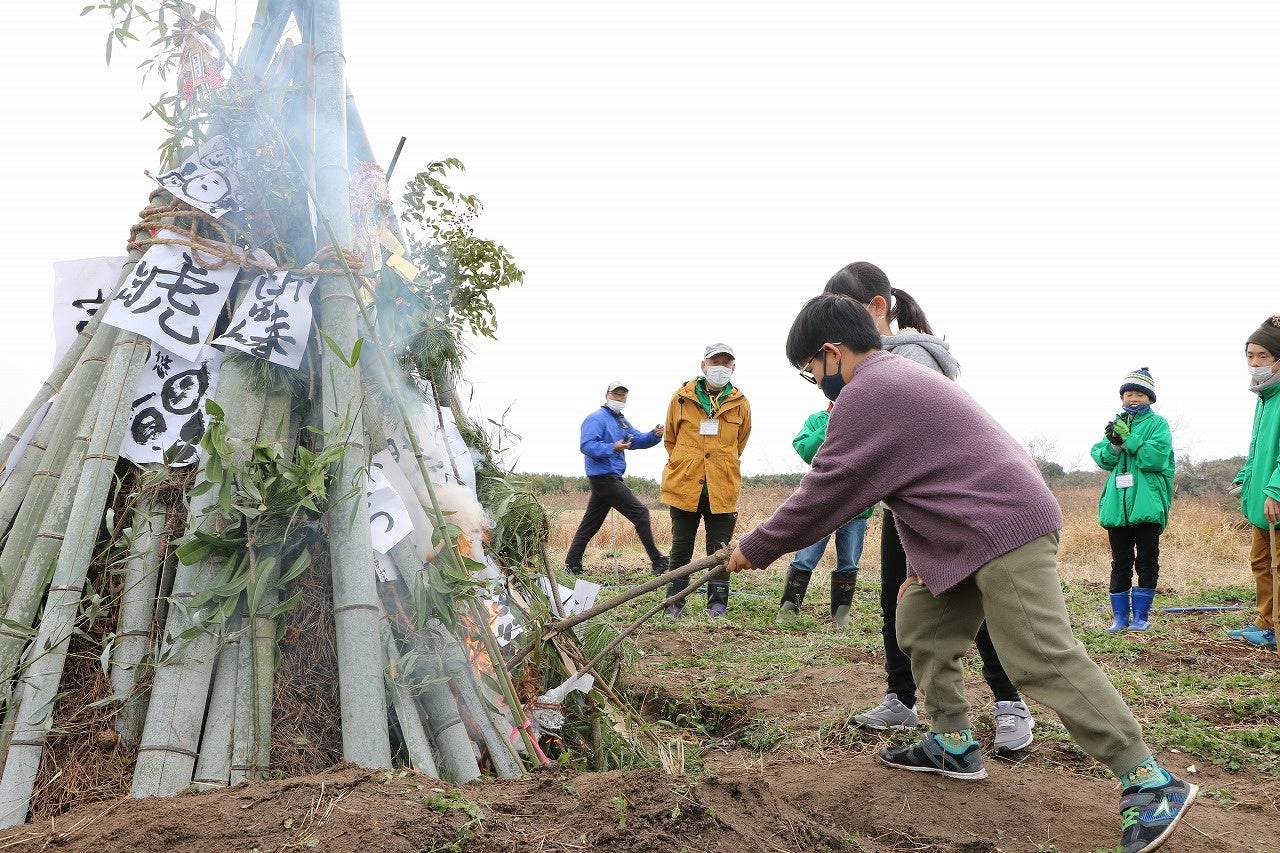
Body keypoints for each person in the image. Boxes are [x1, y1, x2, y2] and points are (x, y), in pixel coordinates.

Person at [727, 295, 1197, 853]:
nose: (818, 384)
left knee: (1040, 657)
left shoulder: (871, 390)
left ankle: (1149, 779)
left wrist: (753, 549)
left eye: (812, 373)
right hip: (971, 533)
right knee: (922, 622)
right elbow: (910, 483)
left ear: (831, 352)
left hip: (1005, 528)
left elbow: (826, 489)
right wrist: (924, 564)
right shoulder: (894, 379)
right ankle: (950, 741)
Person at [824, 262, 1032, 754]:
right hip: (904, 502)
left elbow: (897, 429)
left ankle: (1008, 702)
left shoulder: (911, 356)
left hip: (945, 504)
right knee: (897, 600)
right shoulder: (863, 364)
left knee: (965, 594)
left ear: (877, 308)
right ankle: (901, 698)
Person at [660, 343, 751, 618]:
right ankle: (675, 603)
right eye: (715, 362)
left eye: (726, 363)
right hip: (684, 485)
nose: (720, 368)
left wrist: (720, 464)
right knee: (680, 550)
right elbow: (670, 440)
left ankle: (717, 606)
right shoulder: (681, 398)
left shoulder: (741, 403)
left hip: (722, 488)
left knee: (721, 551)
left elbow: (740, 442)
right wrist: (689, 463)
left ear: (733, 368)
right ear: (703, 366)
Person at [1090, 368, 1175, 633]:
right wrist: (1115, 444)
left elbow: (1156, 458)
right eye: (1129, 393)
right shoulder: (1117, 423)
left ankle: (1141, 617)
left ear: (1150, 398)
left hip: (1147, 507)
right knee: (1120, 562)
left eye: (1140, 394)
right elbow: (1103, 458)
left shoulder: (1158, 424)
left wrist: (1130, 439)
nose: (1134, 398)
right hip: (1118, 509)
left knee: (1147, 560)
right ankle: (1119, 619)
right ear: (1122, 397)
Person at [778, 405, 873, 626]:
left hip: (857, 504)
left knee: (849, 562)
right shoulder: (817, 419)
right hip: (821, 503)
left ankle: (841, 615)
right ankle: (788, 610)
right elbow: (806, 451)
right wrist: (834, 421)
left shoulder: (869, 418)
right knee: (805, 558)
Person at [564, 381, 669, 576]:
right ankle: (657, 560)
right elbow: (586, 446)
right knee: (641, 514)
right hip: (604, 477)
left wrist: (654, 435)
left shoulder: (621, 421)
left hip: (609, 477)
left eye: (623, 396)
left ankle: (572, 564)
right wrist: (612, 447)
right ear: (607, 395)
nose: (620, 399)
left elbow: (635, 439)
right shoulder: (595, 419)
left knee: (591, 523)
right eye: (616, 395)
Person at [1228, 316, 1280, 650]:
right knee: (1261, 561)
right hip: (1260, 498)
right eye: (1250, 355)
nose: (1255, 363)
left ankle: (1277, 627)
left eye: (1263, 355)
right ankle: (1265, 619)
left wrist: (1275, 490)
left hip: (1274, 498)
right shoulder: (1265, 397)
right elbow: (1257, 449)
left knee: (1278, 565)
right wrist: (1245, 478)